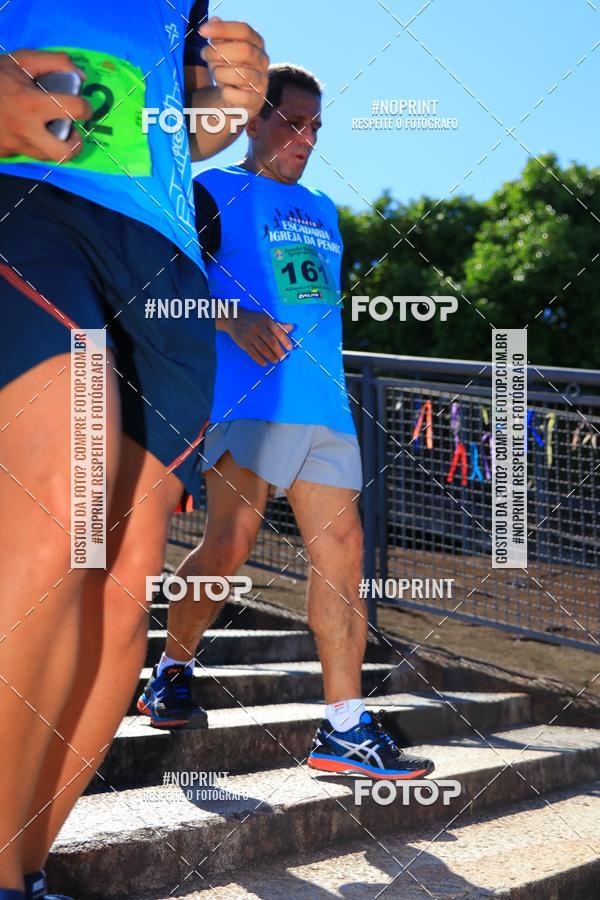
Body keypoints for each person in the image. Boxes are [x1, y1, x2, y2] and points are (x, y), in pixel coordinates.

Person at [0, 4, 269, 899]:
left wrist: (216, 109)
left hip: (162, 250)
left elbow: (157, 117)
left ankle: (29, 869)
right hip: (33, 199)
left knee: (123, 586)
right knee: (62, 512)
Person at [139, 64, 435, 782]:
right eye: (293, 122)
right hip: (249, 404)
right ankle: (173, 664)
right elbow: (154, 296)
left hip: (325, 407)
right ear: (253, 119)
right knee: (230, 544)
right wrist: (230, 314)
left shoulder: (326, 211)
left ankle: (342, 727)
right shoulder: (211, 194)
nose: (306, 139)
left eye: (316, 127)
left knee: (344, 548)